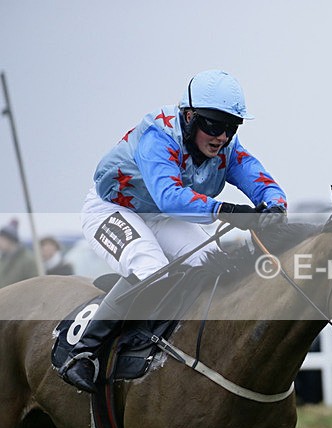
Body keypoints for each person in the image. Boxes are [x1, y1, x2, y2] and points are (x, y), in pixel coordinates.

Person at [58, 69, 288, 393]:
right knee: (152, 268)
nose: (222, 136)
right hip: (114, 208)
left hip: (161, 215)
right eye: (214, 125)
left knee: (210, 263)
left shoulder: (226, 147)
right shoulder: (158, 135)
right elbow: (169, 197)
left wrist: (274, 206)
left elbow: (262, 181)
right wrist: (229, 211)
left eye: (230, 127)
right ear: (190, 116)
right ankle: (82, 351)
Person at [0, 218, 38, 289]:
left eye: (2, 239)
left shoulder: (28, 260)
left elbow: (35, 286)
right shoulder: (3, 259)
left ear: (10, 240)